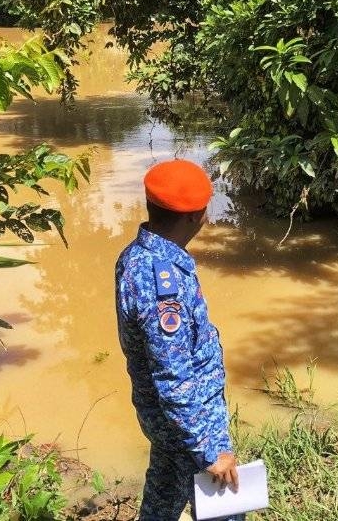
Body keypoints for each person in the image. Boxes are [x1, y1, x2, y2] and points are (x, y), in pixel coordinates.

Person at [114, 159, 244, 521]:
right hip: (188, 424)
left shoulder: (137, 255)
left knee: (163, 496)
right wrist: (209, 451)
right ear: (195, 216)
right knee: (227, 511)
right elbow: (174, 378)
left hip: (167, 422)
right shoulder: (162, 282)